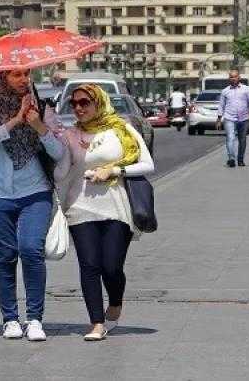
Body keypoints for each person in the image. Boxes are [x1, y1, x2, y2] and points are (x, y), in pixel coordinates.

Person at [0, 70, 64, 342]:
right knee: (5, 254)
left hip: (35, 191)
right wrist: (13, 123)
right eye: (16, 74)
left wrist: (38, 126)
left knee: (31, 250)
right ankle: (10, 319)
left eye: (27, 74)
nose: (24, 79)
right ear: (0, 79)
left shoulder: (41, 107)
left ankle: (34, 319)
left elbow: (59, 152)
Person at [55, 84, 155, 341]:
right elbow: (61, 174)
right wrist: (51, 141)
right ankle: (96, 323)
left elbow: (147, 164)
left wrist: (114, 171)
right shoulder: (70, 135)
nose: (78, 108)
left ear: (98, 102)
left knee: (111, 266)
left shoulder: (122, 129)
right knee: (89, 265)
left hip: (116, 206)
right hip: (80, 206)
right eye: (74, 103)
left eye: (84, 102)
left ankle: (116, 300)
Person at [216, 69, 249, 167]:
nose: (233, 79)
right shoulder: (225, 91)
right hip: (229, 118)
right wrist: (219, 119)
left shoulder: (246, 89)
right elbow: (221, 106)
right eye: (231, 77)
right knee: (230, 138)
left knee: (242, 140)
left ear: (239, 78)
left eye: (235, 77)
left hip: (243, 118)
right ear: (229, 78)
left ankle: (240, 159)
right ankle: (231, 158)